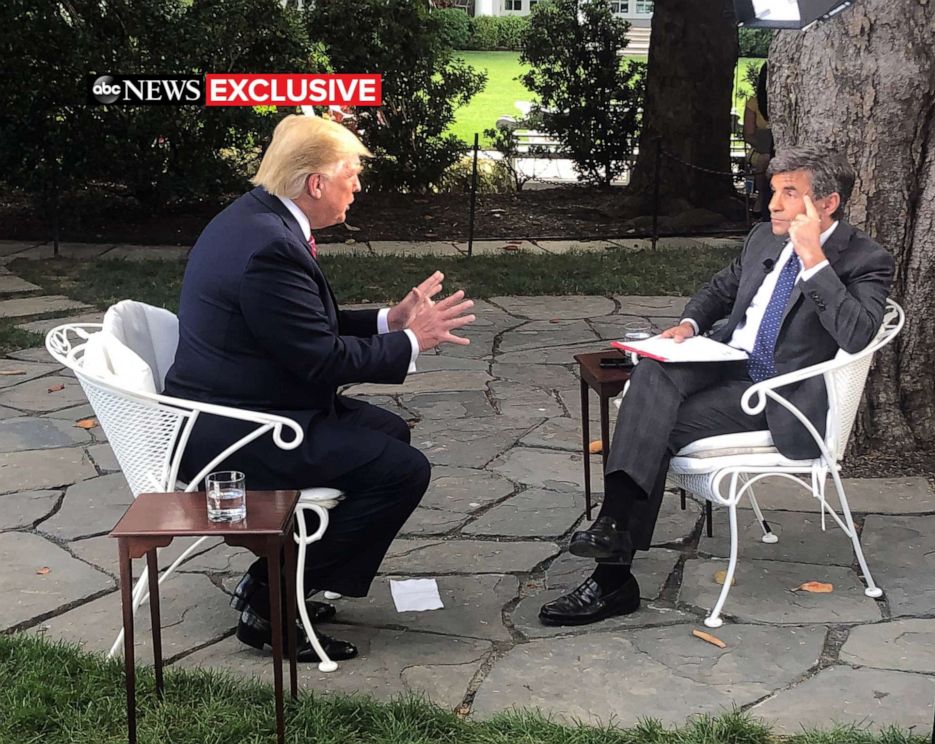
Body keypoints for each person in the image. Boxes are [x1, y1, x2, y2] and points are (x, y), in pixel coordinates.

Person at [539, 147, 894, 626]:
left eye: (789, 193)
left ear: (827, 204)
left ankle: (612, 571)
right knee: (651, 370)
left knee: (654, 421)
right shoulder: (762, 240)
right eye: (773, 191)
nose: (772, 203)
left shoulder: (865, 259)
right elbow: (719, 289)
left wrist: (812, 257)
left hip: (779, 393)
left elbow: (857, 334)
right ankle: (613, 529)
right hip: (725, 364)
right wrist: (688, 325)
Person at [164, 114, 475, 660]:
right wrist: (414, 342)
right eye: (351, 175)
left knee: (389, 432)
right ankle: (272, 600)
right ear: (316, 183)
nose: (357, 187)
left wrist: (390, 322)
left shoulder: (255, 220)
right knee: (402, 471)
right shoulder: (270, 249)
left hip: (239, 409)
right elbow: (319, 360)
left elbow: (302, 327)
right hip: (237, 435)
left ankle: (287, 574)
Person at [743, 63, 774, 220]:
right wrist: (764, 146)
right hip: (760, 149)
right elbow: (749, 135)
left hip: (780, 149)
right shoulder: (754, 103)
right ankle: (762, 198)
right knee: (764, 160)